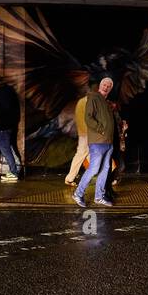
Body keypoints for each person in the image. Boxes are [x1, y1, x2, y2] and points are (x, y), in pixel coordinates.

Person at [73, 75, 116, 208]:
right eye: (104, 84)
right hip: (98, 141)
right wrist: (101, 130)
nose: (106, 87)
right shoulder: (93, 97)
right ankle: (78, 194)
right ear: (100, 86)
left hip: (108, 142)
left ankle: (99, 196)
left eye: (109, 86)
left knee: (105, 169)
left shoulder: (106, 102)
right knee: (94, 169)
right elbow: (88, 118)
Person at [65, 94, 90, 186]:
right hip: (87, 134)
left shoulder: (82, 101)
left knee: (87, 155)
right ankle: (70, 178)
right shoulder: (87, 102)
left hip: (85, 133)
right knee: (82, 154)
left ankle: (109, 176)